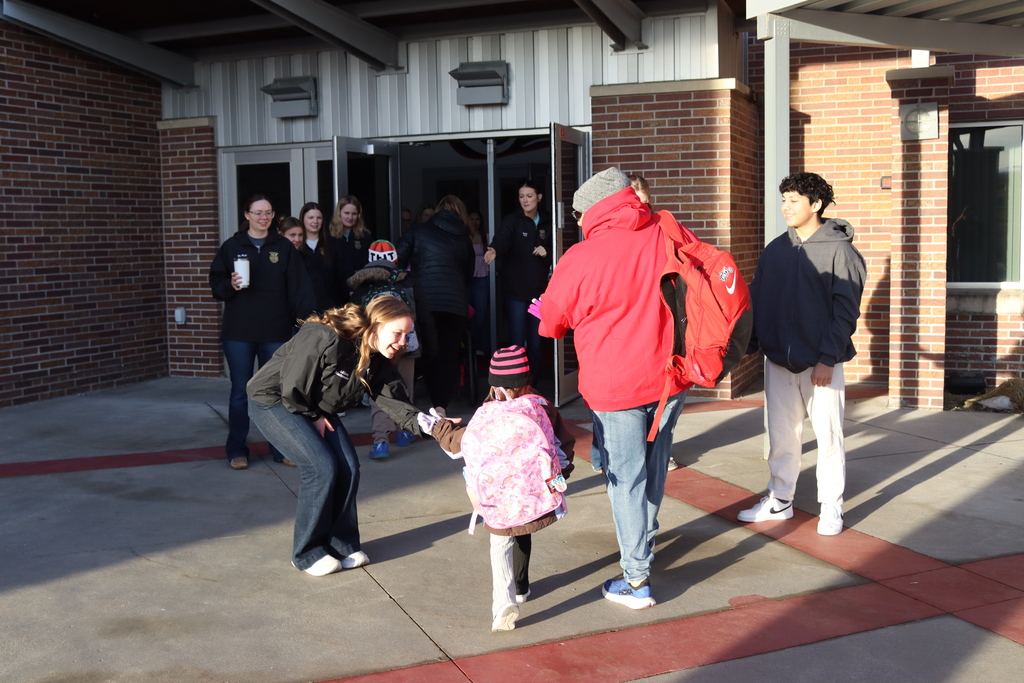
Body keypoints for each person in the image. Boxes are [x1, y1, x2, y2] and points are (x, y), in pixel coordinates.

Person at [536, 167, 691, 609]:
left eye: (578, 215)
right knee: (655, 469)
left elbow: (551, 325)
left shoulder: (579, 258)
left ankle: (636, 579)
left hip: (615, 386)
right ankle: (643, 545)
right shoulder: (665, 232)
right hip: (670, 378)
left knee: (626, 478)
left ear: (591, 212)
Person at [247, 297, 445, 576]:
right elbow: (293, 384)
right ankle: (306, 553)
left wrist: (438, 428)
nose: (403, 341)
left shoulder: (377, 359)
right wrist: (314, 415)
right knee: (321, 467)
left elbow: (397, 404)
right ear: (374, 327)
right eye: (397, 333)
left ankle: (342, 544)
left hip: (312, 407)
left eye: (407, 334)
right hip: (274, 400)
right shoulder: (325, 335)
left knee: (349, 468)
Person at [737, 172, 866, 536]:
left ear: (816, 205)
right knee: (781, 435)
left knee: (828, 437)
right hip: (778, 360)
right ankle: (780, 500)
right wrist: (748, 347)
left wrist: (828, 357)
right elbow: (759, 302)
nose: (786, 207)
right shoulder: (776, 250)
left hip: (821, 363)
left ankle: (831, 507)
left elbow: (846, 311)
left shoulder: (840, 251)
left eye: (794, 200)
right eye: (784, 200)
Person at [431, 346, 575, 631]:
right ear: (527, 380)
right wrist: (559, 477)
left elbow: (459, 444)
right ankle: (521, 586)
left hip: (497, 499)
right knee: (523, 528)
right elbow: (564, 447)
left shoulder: (486, 413)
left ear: (493, 384)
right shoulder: (541, 407)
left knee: (501, 542)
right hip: (533, 493)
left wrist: (438, 428)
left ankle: (503, 603)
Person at [209, 194, 316, 470]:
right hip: (238, 333)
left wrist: (308, 320)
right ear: (247, 215)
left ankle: (281, 449)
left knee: (276, 393)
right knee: (240, 393)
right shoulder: (232, 247)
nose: (263, 217)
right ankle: (236, 450)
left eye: (268, 213)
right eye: (257, 213)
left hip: (275, 330)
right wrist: (229, 285)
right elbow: (216, 286)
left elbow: (299, 287)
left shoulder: (283, 247)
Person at [348, 240, 436, 459]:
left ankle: (381, 442)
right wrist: (430, 345)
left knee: (380, 390)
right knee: (404, 387)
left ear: (369, 260)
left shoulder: (361, 285)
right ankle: (406, 432)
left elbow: (355, 320)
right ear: (396, 259)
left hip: (377, 346)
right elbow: (423, 314)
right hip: (407, 343)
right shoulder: (408, 281)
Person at [396, 195, 475, 416]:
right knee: (449, 356)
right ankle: (441, 407)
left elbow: (396, 258)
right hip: (456, 306)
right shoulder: (465, 239)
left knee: (428, 353)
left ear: (438, 211)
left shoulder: (420, 230)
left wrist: (406, 284)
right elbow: (468, 275)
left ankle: (428, 402)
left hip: (425, 303)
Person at [626, 173, 680, 474]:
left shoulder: (663, 225)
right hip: (632, 321)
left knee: (661, 390)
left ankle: (660, 451)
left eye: (642, 195)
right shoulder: (616, 233)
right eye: (633, 195)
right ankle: (604, 452)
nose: (639, 201)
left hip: (662, 316)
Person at [485, 180, 550, 378]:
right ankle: (517, 385)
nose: (525, 200)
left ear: (539, 197)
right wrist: (495, 249)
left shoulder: (548, 220)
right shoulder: (512, 220)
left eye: (529, 196)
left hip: (539, 292)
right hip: (515, 291)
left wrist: (548, 251)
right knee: (517, 342)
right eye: (521, 196)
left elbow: (558, 245)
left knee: (537, 343)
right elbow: (503, 237)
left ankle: (534, 385)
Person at [329, 195, 371, 301]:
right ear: (339, 214)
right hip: (336, 292)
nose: (350, 217)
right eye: (346, 213)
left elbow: (369, 266)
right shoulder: (329, 236)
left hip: (361, 290)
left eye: (354, 214)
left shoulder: (365, 236)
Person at [299, 202, 339, 312]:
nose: (315, 221)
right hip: (304, 309)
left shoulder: (333, 244)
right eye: (311, 217)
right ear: (303, 219)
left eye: (319, 218)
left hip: (331, 308)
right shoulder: (296, 246)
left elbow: (342, 274)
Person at [466, 210, 491, 356]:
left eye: (477, 219)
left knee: (481, 314)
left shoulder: (485, 237)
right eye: (472, 218)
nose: (475, 222)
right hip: (467, 278)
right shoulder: (463, 237)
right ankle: (468, 346)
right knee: (467, 313)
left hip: (482, 279)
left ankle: (480, 345)